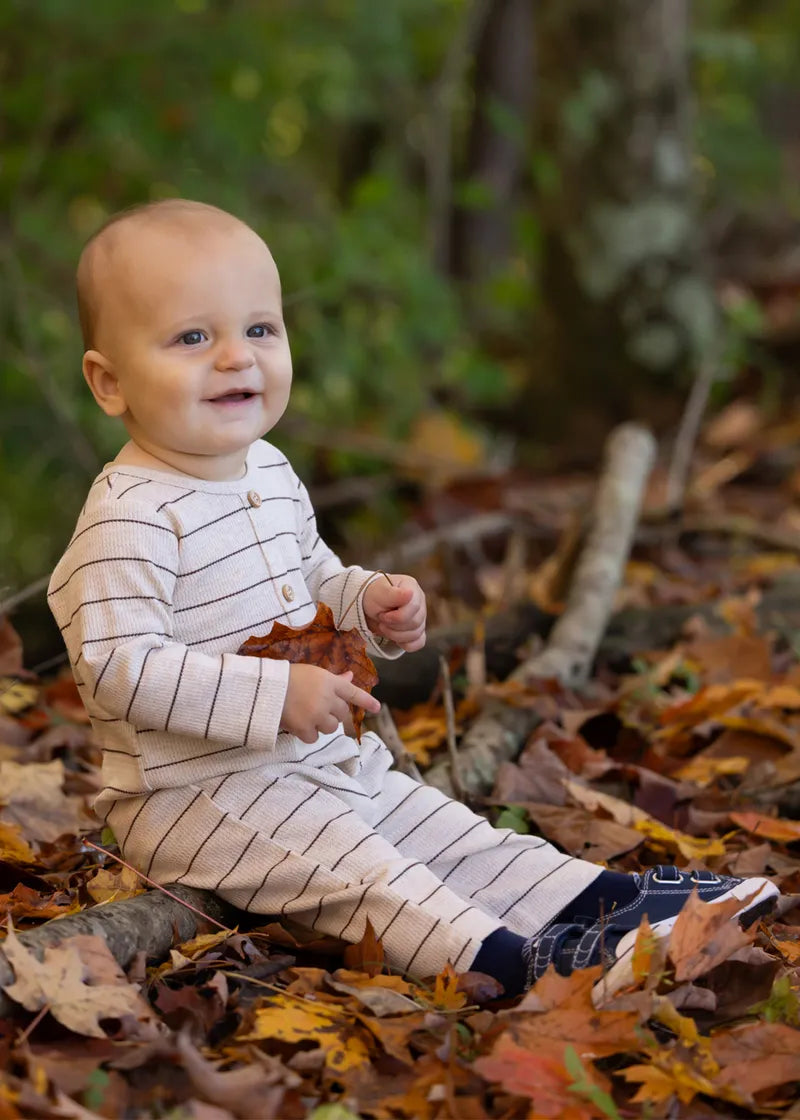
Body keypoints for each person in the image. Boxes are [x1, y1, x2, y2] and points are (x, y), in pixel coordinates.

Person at [48, 199, 778, 1002]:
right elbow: (115, 665)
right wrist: (272, 694)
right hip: (193, 798)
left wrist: (367, 605)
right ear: (109, 382)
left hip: (316, 762)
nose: (236, 359)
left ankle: (612, 907)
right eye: (193, 337)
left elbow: (313, 579)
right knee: (370, 871)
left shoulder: (266, 470)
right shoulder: (130, 514)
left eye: (260, 330)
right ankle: (529, 969)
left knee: (447, 831)